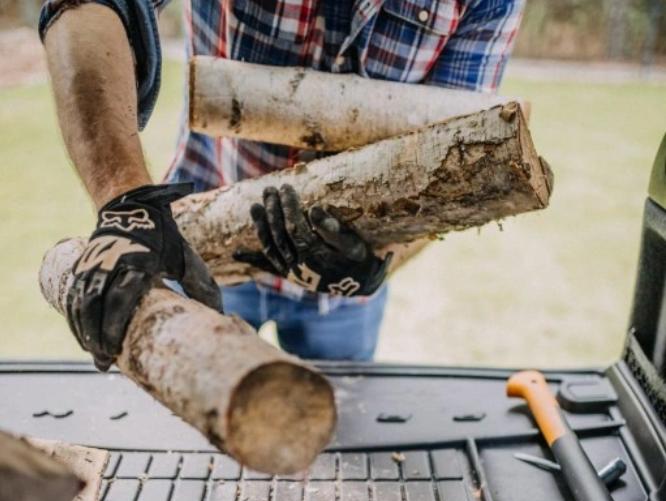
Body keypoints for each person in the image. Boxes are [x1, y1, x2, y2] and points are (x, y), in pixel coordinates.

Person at [39, 0, 524, 369]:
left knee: (338, 437)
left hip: (341, 293)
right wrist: (127, 201)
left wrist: (381, 258)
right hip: (195, 246)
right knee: (186, 427)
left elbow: (454, 157)